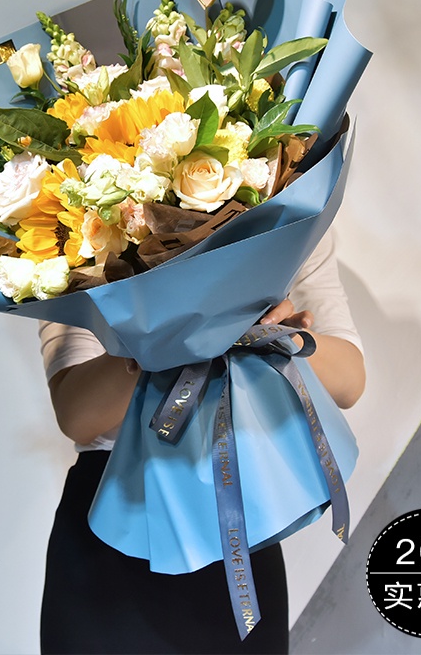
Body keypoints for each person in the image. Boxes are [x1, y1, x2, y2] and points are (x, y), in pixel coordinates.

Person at [38, 230, 366, 654]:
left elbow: (349, 381)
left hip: (238, 504)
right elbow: (77, 417)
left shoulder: (289, 219)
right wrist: (159, 335)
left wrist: (266, 331)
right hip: (115, 507)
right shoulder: (68, 231)